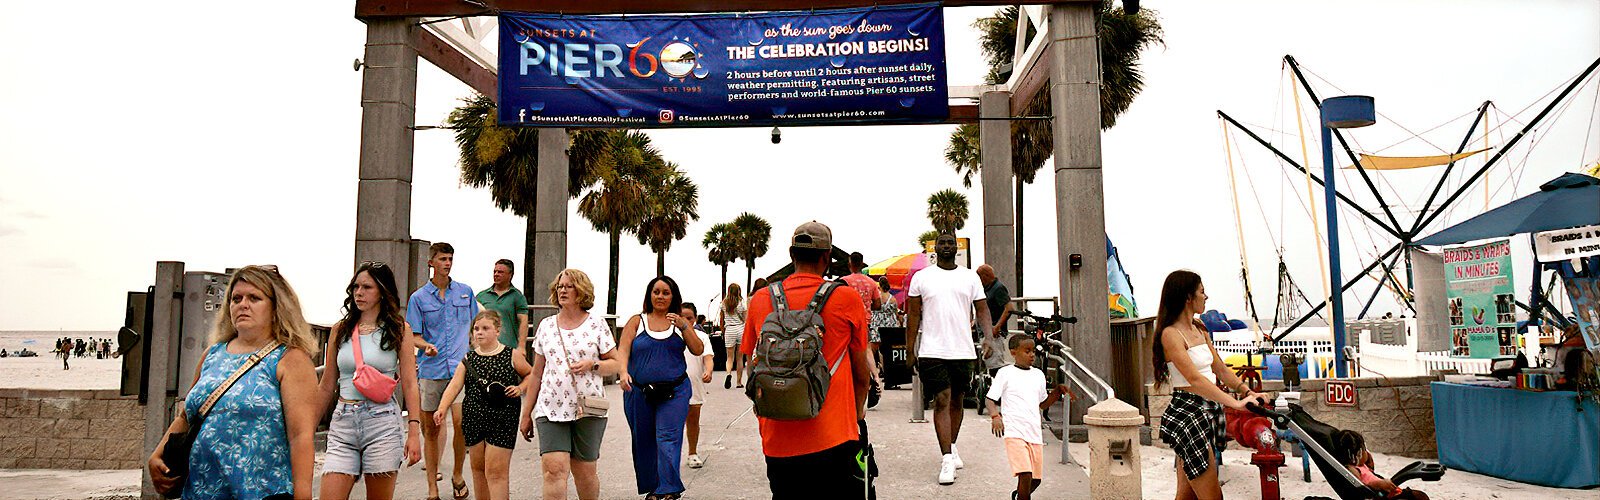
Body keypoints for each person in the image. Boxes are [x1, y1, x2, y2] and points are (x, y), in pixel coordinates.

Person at [147, 265, 320, 499]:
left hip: (262, 492)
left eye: (254, 298)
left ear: (276, 307)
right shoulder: (212, 354)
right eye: (236, 298)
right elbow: (187, 415)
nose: (243, 304)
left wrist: (303, 495)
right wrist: (156, 456)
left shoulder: (290, 359)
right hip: (201, 490)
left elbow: (301, 436)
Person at [741, 221, 873, 499]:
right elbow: (862, 372)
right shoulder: (845, 298)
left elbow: (752, 365)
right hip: (834, 433)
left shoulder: (761, 300)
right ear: (827, 258)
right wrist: (857, 413)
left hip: (777, 438)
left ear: (792, 255)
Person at [1153, 270, 1269, 500]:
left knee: (1186, 496)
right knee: (1212, 496)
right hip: (1188, 413)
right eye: (1202, 292)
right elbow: (1195, 380)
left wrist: (1246, 391)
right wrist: (1235, 405)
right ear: (1188, 297)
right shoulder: (1170, 334)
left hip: (1207, 411)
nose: (1206, 297)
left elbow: (1220, 368)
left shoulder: (1200, 329)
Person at [317, 261, 425, 500]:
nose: (359, 292)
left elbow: (409, 382)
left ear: (382, 292)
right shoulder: (341, 330)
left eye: (367, 287)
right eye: (356, 287)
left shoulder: (399, 329)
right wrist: (306, 429)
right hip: (343, 420)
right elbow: (326, 384)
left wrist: (414, 431)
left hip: (382, 422)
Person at [905, 232, 995, 485]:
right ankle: (946, 458)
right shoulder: (922, 278)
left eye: (950, 243)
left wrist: (988, 337)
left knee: (957, 400)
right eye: (942, 243)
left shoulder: (970, 277)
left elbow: (982, 309)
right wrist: (910, 348)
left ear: (956, 247)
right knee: (941, 400)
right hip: (932, 350)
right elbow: (913, 315)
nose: (946, 246)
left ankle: (952, 445)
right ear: (935, 248)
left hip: (963, 350)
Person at [521, 268, 618, 500]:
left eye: (569, 286)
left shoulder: (597, 325)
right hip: (550, 408)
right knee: (553, 470)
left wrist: (592, 365)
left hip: (588, 409)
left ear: (581, 290)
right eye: (560, 286)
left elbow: (615, 363)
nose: (563, 290)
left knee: (584, 473)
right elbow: (536, 373)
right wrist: (526, 413)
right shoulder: (546, 326)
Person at [618, 276, 705, 500]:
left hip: (674, 392)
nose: (660, 296)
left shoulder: (679, 324)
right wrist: (623, 372)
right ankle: (653, 488)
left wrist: (685, 326)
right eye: (656, 292)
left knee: (667, 437)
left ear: (673, 297)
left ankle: (668, 489)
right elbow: (623, 349)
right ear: (649, 295)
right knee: (644, 438)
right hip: (639, 391)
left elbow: (698, 349)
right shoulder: (636, 322)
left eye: (666, 293)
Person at [434, 311, 532, 500]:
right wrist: (442, 407)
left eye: (485, 328)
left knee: (496, 471)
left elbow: (530, 374)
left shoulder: (511, 354)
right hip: (474, 418)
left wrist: (520, 388)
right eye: (476, 329)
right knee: (478, 469)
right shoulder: (468, 359)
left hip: (503, 418)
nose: (479, 332)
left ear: (497, 330)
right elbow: (454, 385)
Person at [406, 242, 478, 500]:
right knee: (431, 429)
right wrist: (426, 346)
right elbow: (413, 335)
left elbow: (475, 328)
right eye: (443, 259)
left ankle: (458, 473)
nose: (447, 263)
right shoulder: (418, 298)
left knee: (461, 423)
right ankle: (432, 487)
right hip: (431, 370)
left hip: (459, 370)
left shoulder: (465, 293)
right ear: (431, 263)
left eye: (450, 258)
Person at [985, 334, 1073, 500]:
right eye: (1027, 351)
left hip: (1034, 433)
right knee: (1025, 474)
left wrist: (1057, 392)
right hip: (1015, 432)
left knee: (1036, 480)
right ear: (1013, 352)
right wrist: (995, 416)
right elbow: (990, 399)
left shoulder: (1038, 375)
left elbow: (1042, 404)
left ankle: (1019, 496)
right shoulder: (1005, 373)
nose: (1032, 354)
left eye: (1033, 351)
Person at [840, 252, 884, 405]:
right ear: (862, 263)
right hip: (866, 321)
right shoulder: (871, 282)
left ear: (850, 263)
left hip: (847, 322)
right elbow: (878, 304)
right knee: (866, 350)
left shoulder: (843, 281)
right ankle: (876, 377)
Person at [1335, 430, 1430, 499]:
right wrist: (1378, 484)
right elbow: (1359, 487)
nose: (1366, 452)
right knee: (1419, 497)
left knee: (1421, 495)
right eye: (1364, 449)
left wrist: (1367, 457)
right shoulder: (1352, 469)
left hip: (1390, 492)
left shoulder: (1362, 465)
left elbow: (1371, 466)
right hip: (1381, 496)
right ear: (1358, 454)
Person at [681, 302, 714, 469]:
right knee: (671, 423)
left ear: (695, 319)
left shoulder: (702, 337)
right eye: (683, 317)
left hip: (694, 385)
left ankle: (692, 453)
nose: (686, 320)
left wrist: (708, 371)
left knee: (693, 421)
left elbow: (708, 357)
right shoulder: (670, 336)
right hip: (673, 386)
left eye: (690, 317)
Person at [476, 259, 530, 357]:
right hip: (485, 349)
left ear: (510, 275)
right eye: (495, 271)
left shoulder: (517, 296)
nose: (496, 274)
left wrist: (522, 346)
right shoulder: (481, 296)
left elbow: (523, 321)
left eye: (500, 272)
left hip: (508, 348)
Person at [976, 264, 1015, 378]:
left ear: (985, 276)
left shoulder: (998, 288)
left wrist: (997, 326)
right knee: (989, 364)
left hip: (994, 334)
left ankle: (999, 392)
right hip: (986, 332)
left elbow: (1009, 308)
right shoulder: (986, 289)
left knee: (996, 367)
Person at [869, 277, 902, 389]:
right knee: (887, 351)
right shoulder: (892, 299)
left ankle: (873, 372)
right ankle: (886, 372)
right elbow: (896, 313)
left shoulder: (877, 297)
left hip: (877, 324)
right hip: (889, 326)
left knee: (873, 350)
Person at [719, 283, 747, 389]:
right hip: (740, 329)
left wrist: (723, 330)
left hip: (729, 329)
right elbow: (746, 319)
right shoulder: (742, 303)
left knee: (729, 357)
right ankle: (739, 382)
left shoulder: (724, 303)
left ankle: (728, 374)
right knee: (740, 358)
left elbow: (721, 320)